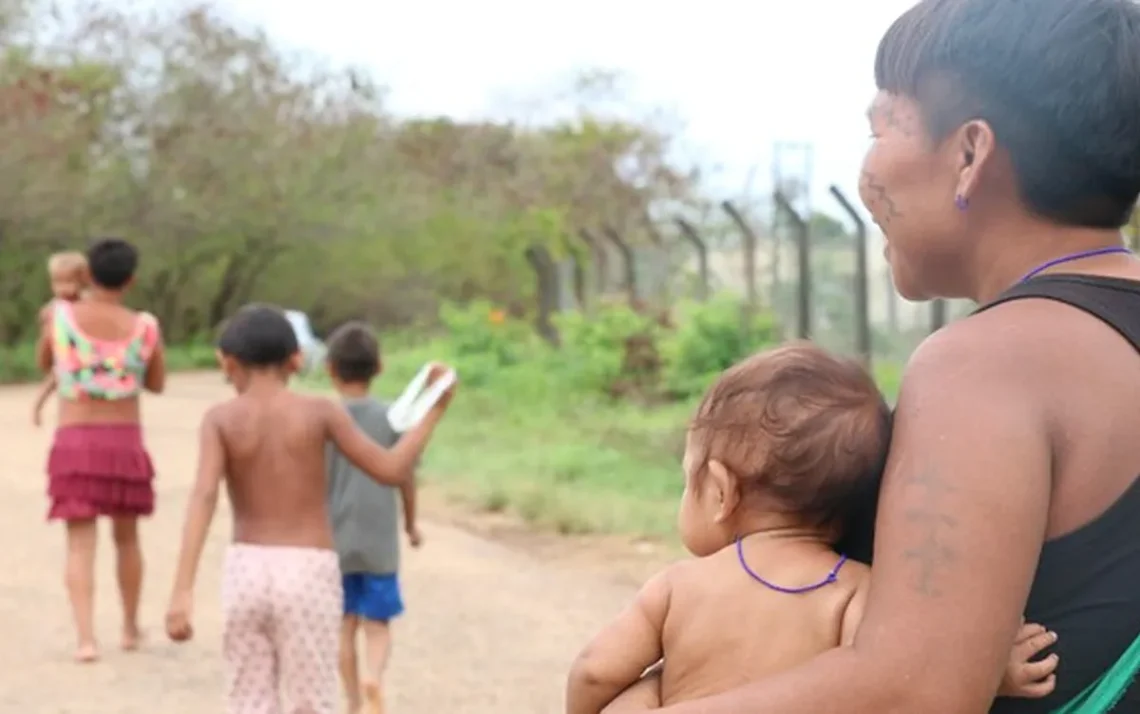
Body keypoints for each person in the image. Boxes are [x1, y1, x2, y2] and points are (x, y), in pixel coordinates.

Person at [601, 0, 1140, 712]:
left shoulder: (984, 365)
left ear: (970, 154)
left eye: (878, 126)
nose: (866, 172)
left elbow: (913, 692)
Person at [566, 344, 1059, 713]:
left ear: (719, 492)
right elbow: (913, 677)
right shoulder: (855, 593)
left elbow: (595, 671)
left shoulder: (678, 588)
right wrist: (992, 674)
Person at [163, 304, 455, 714]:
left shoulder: (220, 419)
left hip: (245, 570)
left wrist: (182, 589)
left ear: (227, 363)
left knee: (248, 700)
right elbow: (390, 469)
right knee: (312, 701)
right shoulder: (320, 412)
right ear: (297, 360)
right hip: (307, 570)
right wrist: (433, 412)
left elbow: (204, 496)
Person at [35, 238, 165, 663]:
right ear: (131, 280)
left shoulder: (60, 318)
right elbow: (158, 382)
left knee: (79, 544)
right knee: (127, 539)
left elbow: (44, 363)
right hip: (124, 442)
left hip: (74, 441)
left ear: (87, 274)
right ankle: (129, 628)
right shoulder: (145, 325)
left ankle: (86, 639)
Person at [324, 321, 423, 714]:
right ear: (378, 366)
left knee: (344, 624)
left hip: (333, 540)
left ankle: (351, 702)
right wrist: (411, 524)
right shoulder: (391, 419)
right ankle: (374, 679)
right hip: (380, 541)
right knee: (377, 623)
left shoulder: (324, 419)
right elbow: (406, 478)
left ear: (331, 368)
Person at [32, 251, 89, 427]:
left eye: (69, 282)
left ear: (83, 282)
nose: (63, 288)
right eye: (58, 283)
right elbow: (44, 321)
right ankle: (37, 407)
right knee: (53, 379)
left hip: (84, 353)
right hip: (63, 353)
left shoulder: (85, 303)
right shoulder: (54, 306)